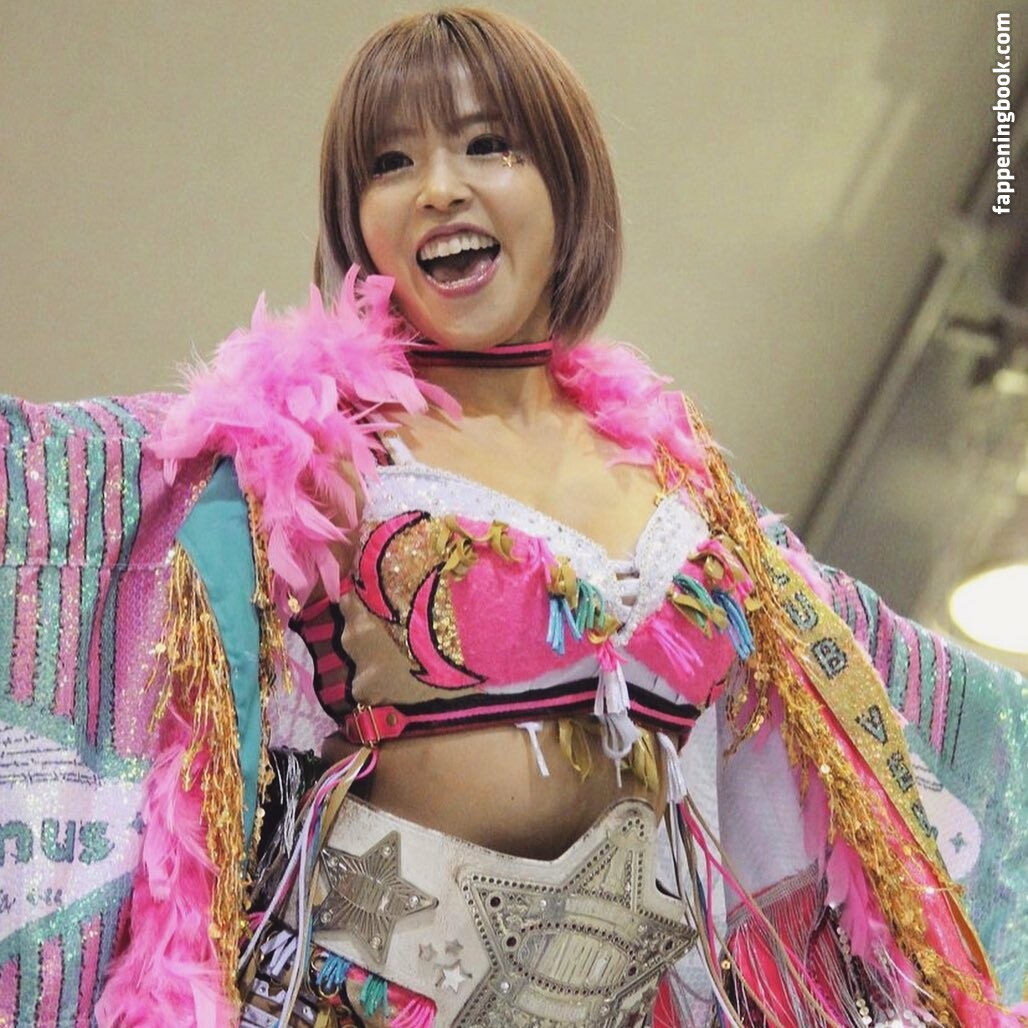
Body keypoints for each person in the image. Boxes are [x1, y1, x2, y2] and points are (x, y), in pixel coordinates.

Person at [0, 8, 1022, 1028]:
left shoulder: (681, 475)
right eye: (392, 162)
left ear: (566, 184)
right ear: (357, 221)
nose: (439, 186)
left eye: (486, 144)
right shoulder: (310, 448)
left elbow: (871, 688)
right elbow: (81, 526)